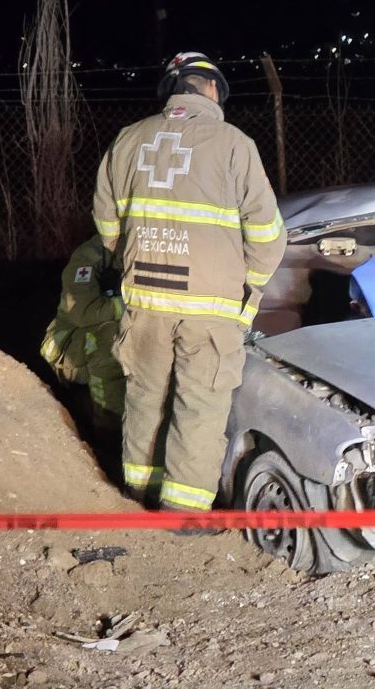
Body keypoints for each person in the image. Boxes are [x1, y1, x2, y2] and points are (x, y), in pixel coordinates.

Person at [93, 51, 286, 515]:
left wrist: (131, 265)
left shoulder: (128, 140)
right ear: (214, 89)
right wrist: (249, 293)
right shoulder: (234, 144)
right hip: (209, 309)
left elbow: (106, 221)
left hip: (145, 303)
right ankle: (184, 518)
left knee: (143, 397)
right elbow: (267, 234)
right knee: (199, 408)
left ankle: (136, 495)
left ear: (172, 90)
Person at [40, 234, 125, 434]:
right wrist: (134, 303)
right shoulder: (91, 256)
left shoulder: (148, 248)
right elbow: (83, 312)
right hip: (69, 342)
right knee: (110, 339)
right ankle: (108, 428)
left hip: (106, 334)